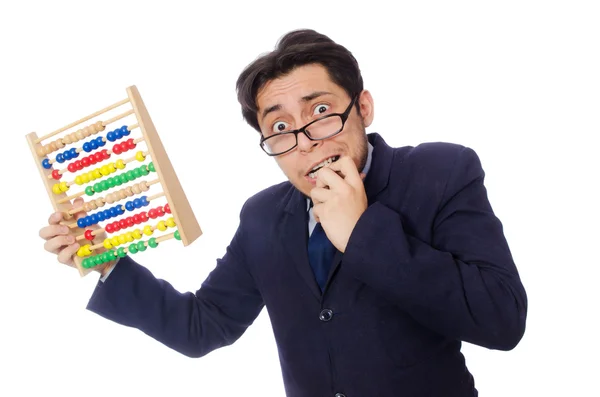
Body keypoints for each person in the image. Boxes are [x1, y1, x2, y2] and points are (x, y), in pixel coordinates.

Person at [38, 29, 528, 397]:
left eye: (319, 112)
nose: (305, 142)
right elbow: (203, 326)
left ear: (364, 107)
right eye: (279, 126)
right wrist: (107, 263)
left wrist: (362, 232)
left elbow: (502, 320)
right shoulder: (262, 217)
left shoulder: (441, 171)